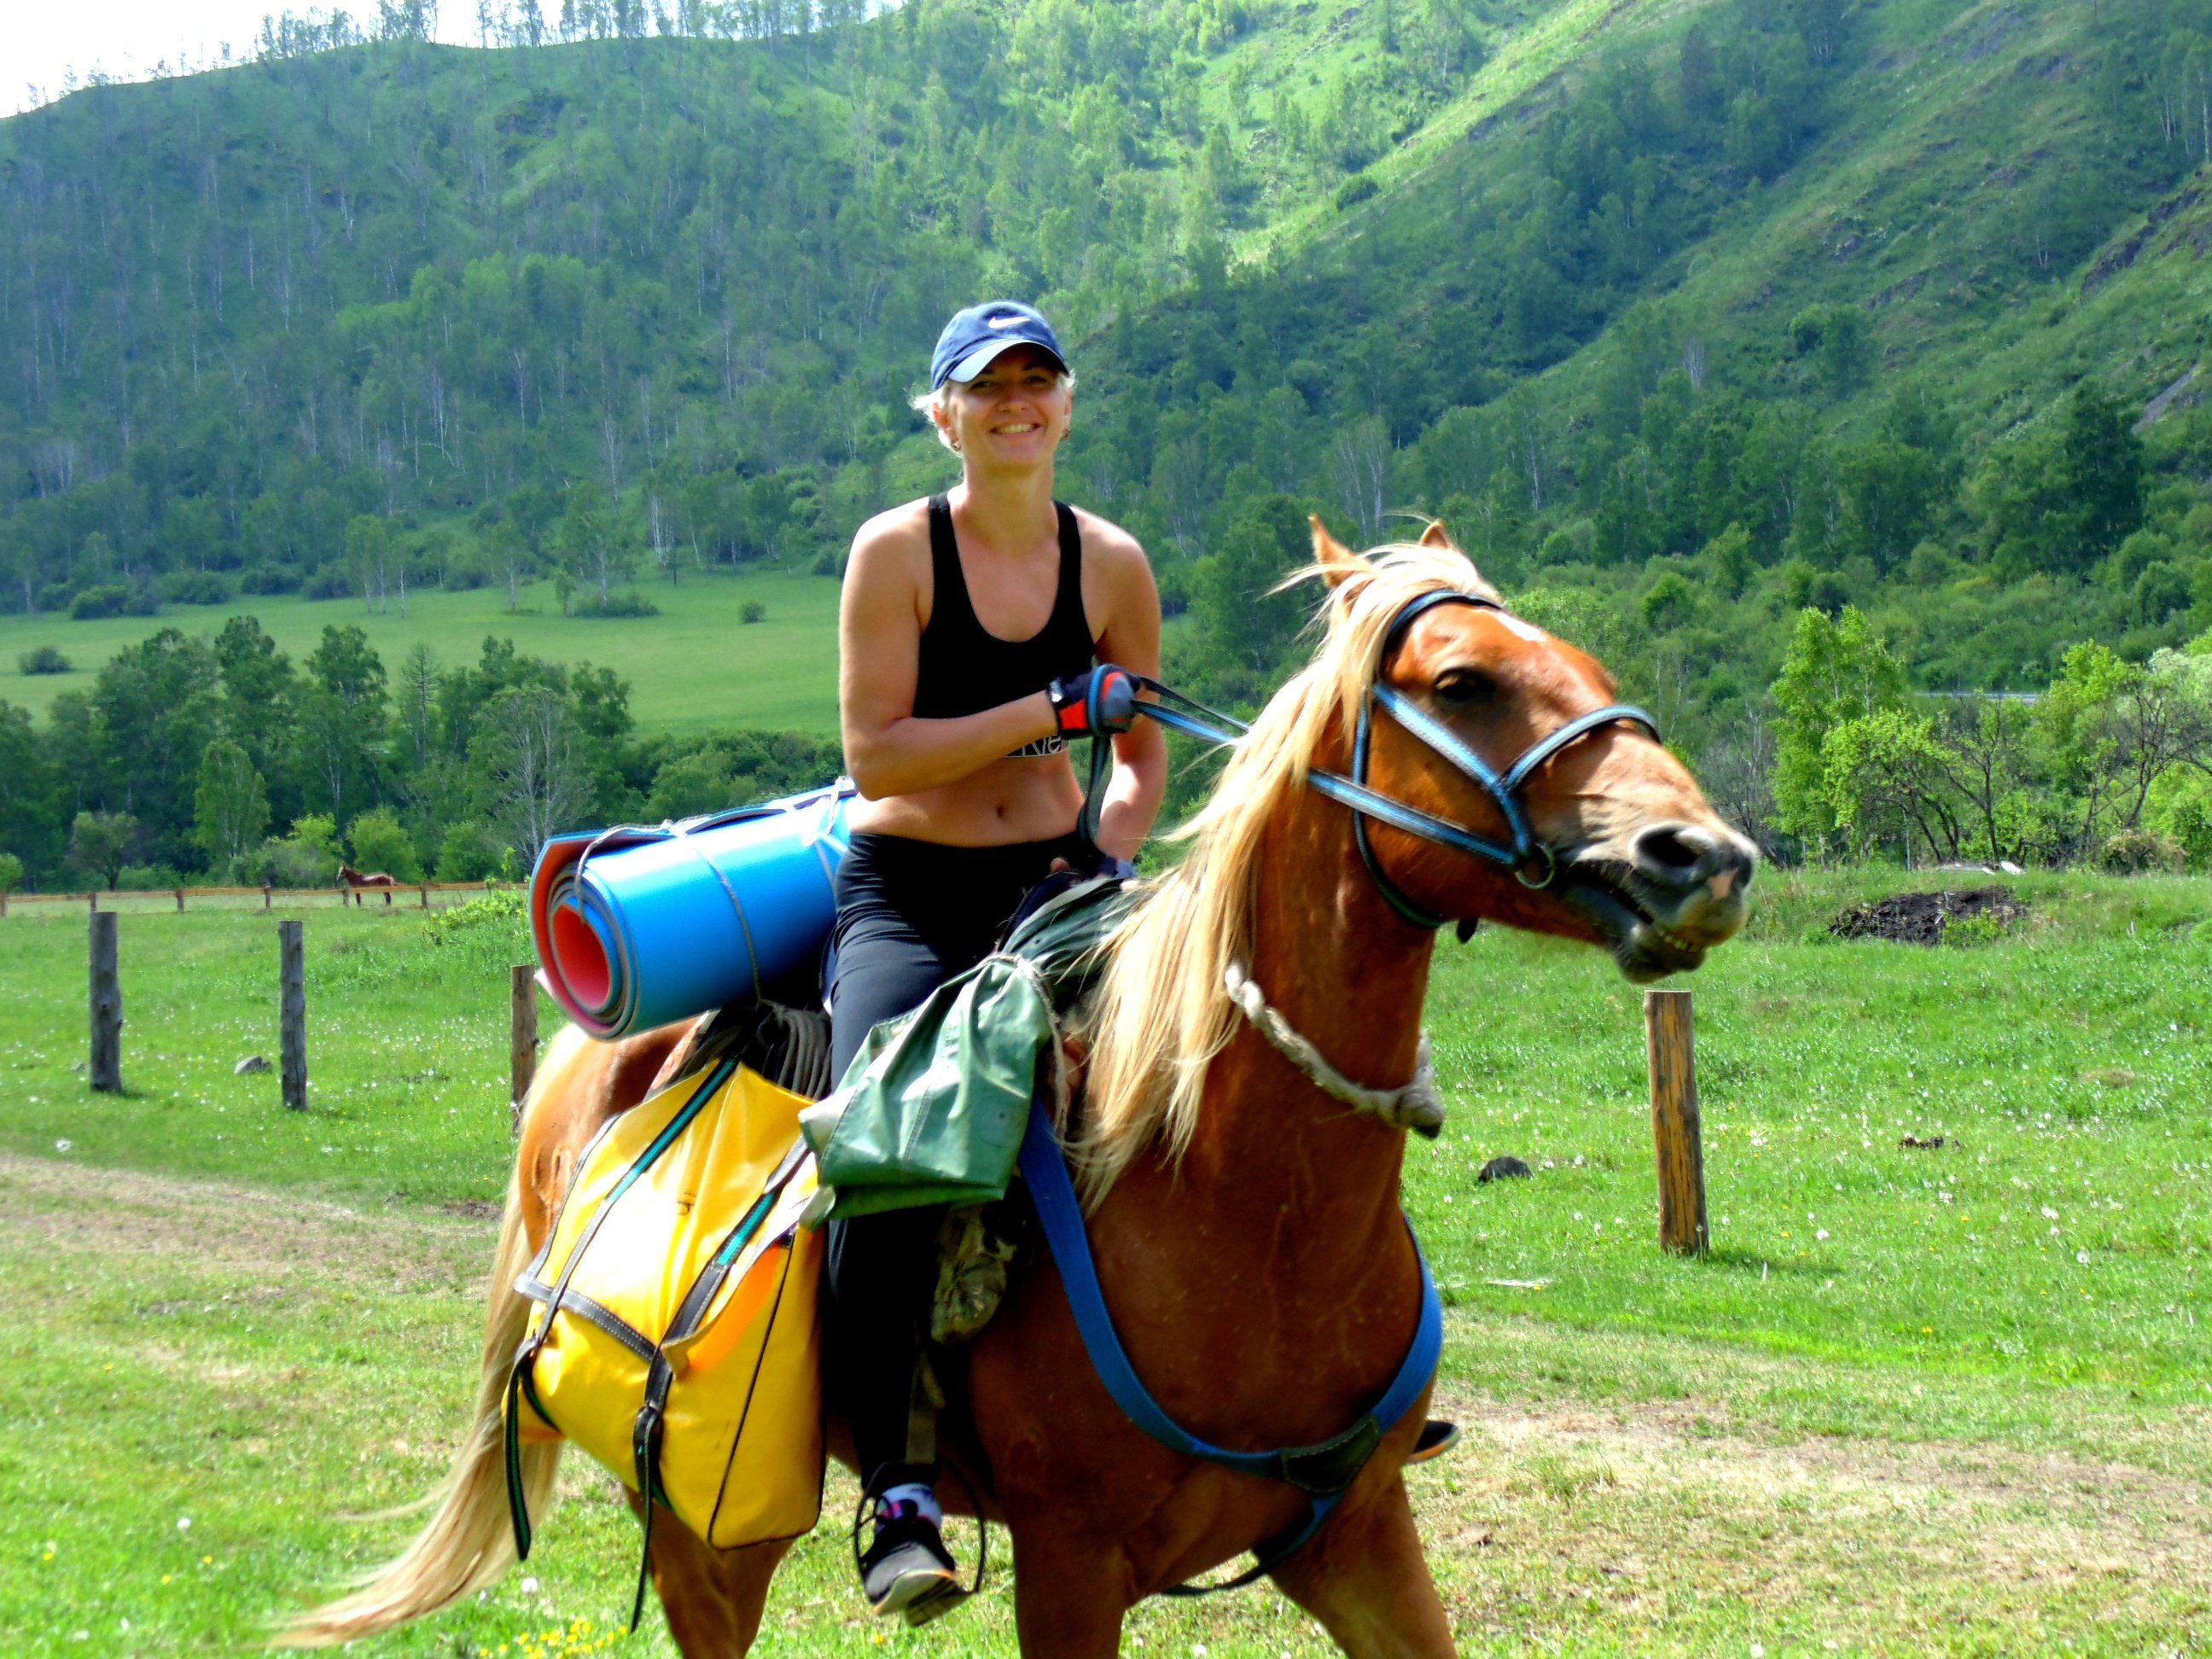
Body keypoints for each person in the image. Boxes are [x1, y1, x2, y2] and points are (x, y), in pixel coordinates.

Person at [829, 300, 1168, 1620]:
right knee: (888, 1124)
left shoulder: (1115, 567)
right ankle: (897, 1490)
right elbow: (880, 755)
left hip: (1060, 883)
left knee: (1228, 1050)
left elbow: (1141, 751)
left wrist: (1106, 841)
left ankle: (1331, 1384)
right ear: (946, 414)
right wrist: (1051, 710)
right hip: (909, 892)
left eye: (1040, 382)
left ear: (1068, 407)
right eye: (989, 387)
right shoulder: (896, 553)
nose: (1017, 403)